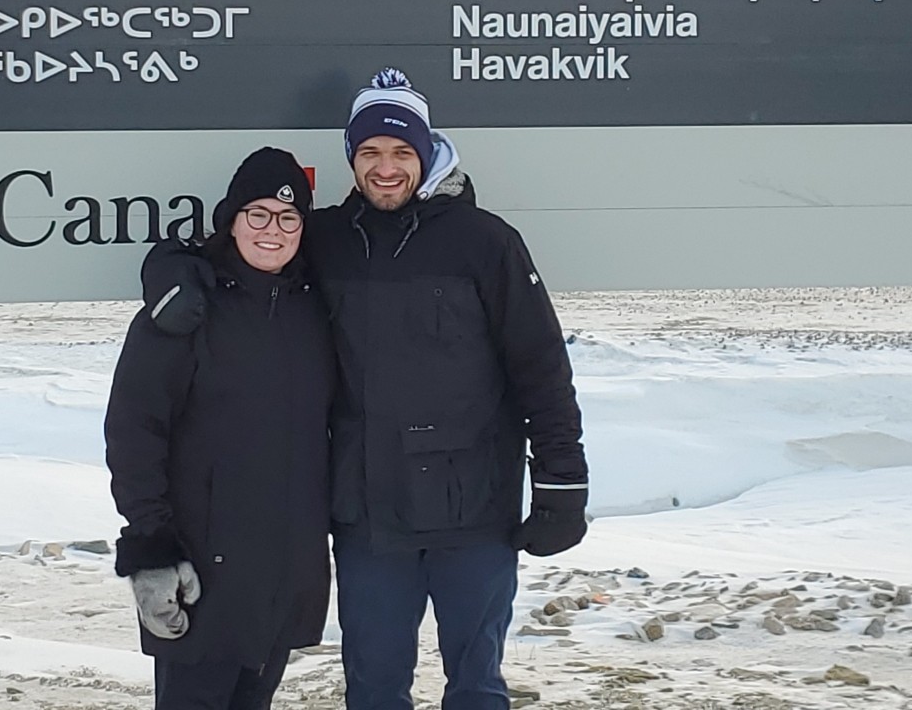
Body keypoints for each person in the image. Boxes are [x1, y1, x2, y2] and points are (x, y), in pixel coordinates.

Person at [147, 69, 589, 710]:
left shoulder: (486, 242)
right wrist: (168, 269)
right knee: (375, 689)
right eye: (370, 153)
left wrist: (561, 484)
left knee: (477, 687)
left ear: (427, 153)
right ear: (352, 158)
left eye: (402, 152)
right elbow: (240, 257)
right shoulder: (324, 239)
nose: (386, 167)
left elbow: (542, 368)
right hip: (368, 517)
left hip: (475, 511)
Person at [105, 147, 335, 710]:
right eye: (257, 214)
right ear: (230, 220)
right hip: (200, 572)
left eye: (288, 218)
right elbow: (135, 430)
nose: (272, 230)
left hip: (284, 571)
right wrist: (151, 547)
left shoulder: (316, 309)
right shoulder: (185, 308)